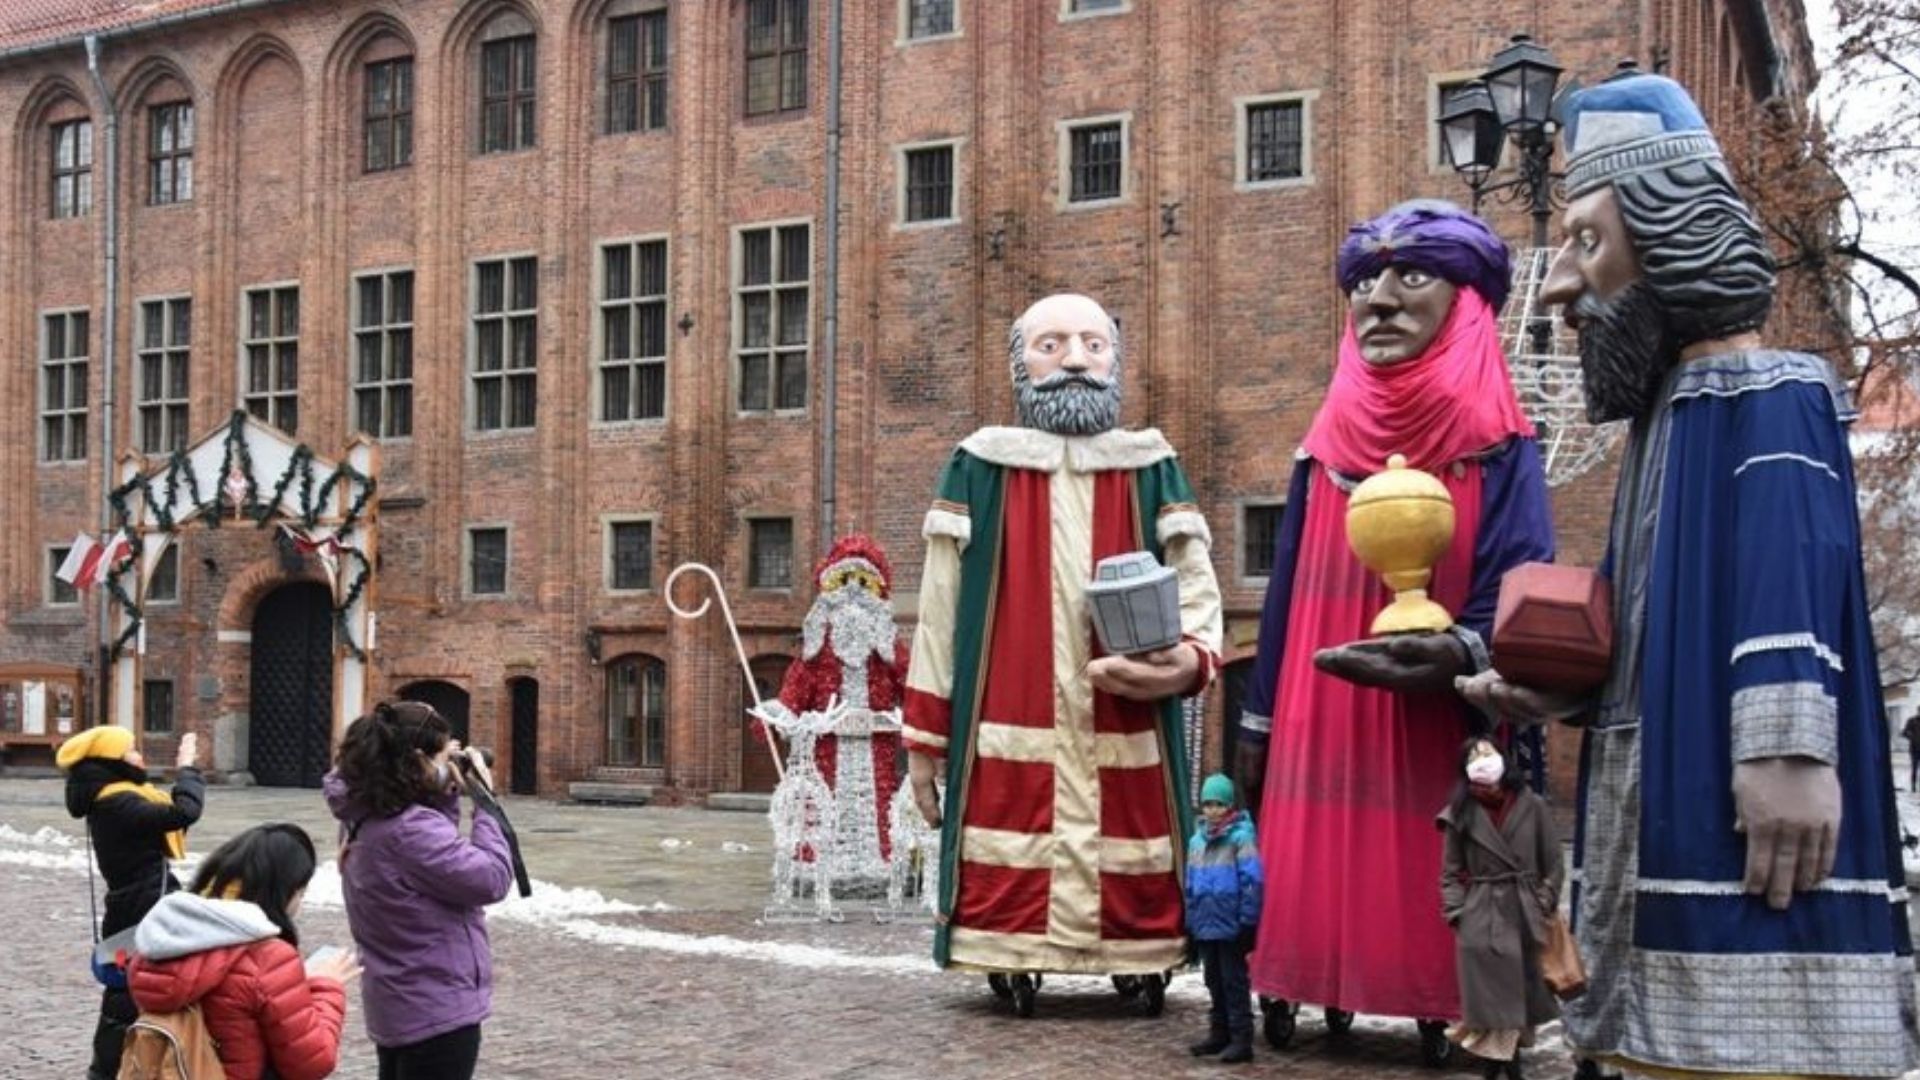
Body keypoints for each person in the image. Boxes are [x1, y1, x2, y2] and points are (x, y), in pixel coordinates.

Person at [1458, 71, 1920, 1077]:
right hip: (1658, 780)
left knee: (1744, 1039)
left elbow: (1788, 571)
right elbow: (1650, 626)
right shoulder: (1662, 423)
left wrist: (1788, 749)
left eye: (1587, 243)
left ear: (1671, 238)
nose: (1562, 286)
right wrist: (1564, 688)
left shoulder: (1771, 390)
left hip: (1731, 789)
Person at [1234, 202, 1554, 1050]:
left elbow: (1522, 573)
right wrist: (1258, 719)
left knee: (1442, 839)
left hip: (1445, 704)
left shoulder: (1501, 444)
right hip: (1324, 699)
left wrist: (1461, 649)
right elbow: (1284, 589)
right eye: (1363, 283)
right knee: (1318, 844)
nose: (1378, 300)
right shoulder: (1321, 449)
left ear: (1466, 303)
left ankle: (1444, 996)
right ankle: (1307, 978)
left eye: (1411, 277)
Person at [903, 292, 1224, 990]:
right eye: (1051, 345)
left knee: (1130, 850)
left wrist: (1192, 658)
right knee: (1016, 850)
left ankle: (1136, 958)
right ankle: (1012, 956)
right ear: (1020, 364)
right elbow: (939, 610)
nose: (1076, 359)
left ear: (1115, 360)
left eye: (1093, 344)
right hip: (1009, 714)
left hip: (1126, 718)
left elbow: (1195, 581)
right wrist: (924, 737)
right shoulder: (980, 466)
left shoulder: (1150, 466)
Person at [325, 701, 514, 1080]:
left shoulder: (365, 813)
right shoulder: (409, 831)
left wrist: (439, 790)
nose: (450, 764)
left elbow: (433, 862)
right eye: (444, 756)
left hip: (398, 1002)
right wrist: (485, 803)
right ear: (417, 761)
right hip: (436, 1008)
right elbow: (491, 878)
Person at [125, 823, 359, 1080]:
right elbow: (311, 1064)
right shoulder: (268, 957)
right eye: (301, 892)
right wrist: (326, 987)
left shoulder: (160, 945)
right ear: (285, 890)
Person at [757, 534, 911, 880]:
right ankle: (820, 864)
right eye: (843, 581)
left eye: (864, 582)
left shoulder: (889, 652)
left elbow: (913, 691)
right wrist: (778, 717)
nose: (853, 591)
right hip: (828, 753)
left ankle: (883, 863)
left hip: (877, 754)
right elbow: (791, 699)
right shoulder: (814, 655)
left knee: (879, 807)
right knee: (824, 807)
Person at [58, 725, 206, 1080]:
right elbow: (183, 812)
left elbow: (161, 827)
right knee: (124, 1000)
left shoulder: (117, 798)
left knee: (133, 994)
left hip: (136, 904)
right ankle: (107, 1071)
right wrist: (187, 769)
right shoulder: (117, 803)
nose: (139, 756)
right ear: (113, 760)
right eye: (131, 750)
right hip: (140, 909)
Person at [1438, 737, 1560, 1080]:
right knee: (1497, 1008)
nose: (1482, 760)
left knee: (1515, 1005)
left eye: (1487, 752)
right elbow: (1449, 873)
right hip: (1481, 918)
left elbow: (1553, 863)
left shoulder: (1532, 805)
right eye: (1474, 756)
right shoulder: (1461, 813)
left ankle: (1498, 1071)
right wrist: (1458, 914)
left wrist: (1543, 901)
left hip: (1524, 915)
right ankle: (1506, 1071)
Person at [1185, 773, 1263, 1064]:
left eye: (1219, 804)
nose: (1213, 811)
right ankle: (1219, 1033)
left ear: (1230, 806)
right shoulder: (1196, 842)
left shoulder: (1241, 838)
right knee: (1213, 980)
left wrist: (1248, 920)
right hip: (1206, 924)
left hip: (1231, 925)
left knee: (1233, 981)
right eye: (1208, 804)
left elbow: (1252, 881)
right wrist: (1191, 920)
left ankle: (1242, 1038)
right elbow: (1190, 884)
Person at [1901, 711, 1918, 793]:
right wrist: (1912, 737)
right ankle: (1913, 786)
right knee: (1914, 768)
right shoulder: (1911, 721)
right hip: (1914, 749)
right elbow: (1904, 733)